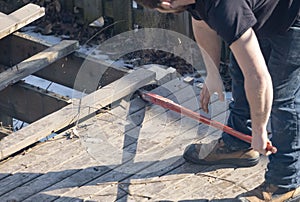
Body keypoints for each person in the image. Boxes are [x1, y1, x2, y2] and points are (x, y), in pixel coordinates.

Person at [135, 0, 300, 201]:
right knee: (241, 69)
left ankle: (284, 182)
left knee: (283, 100)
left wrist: (260, 130)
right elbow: (202, 22)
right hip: (267, 11)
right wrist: (212, 74)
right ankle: (238, 143)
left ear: (166, 3)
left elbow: (258, 78)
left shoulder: (225, 6)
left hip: (293, 13)